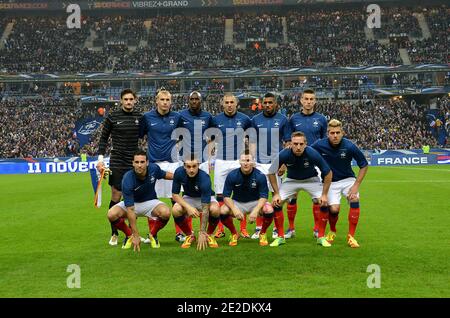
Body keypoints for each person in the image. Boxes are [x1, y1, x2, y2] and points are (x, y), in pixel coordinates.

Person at [139, 89, 188, 243]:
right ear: (157, 101)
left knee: (176, 199)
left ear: (171, 101)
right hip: (153, 164)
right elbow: (140, 136)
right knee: (150, 199)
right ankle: (152, 234)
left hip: (173, 164)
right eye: (162, 99)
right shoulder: (147, 117)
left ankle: (180, 233)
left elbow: (183, 135)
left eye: (168, 100)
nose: (165, 102)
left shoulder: (177, 117)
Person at [268, 131, 332, 247]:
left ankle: (321, 237)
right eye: (295, 144)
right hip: (291, 180)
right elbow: (271, 172)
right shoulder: (284, 154)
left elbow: (328, 173)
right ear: (290, 144)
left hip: (311, 179)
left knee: (324, 203)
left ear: (305, 144)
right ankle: (280, 237)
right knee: (276, 203)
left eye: (301, 144)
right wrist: (276, 193)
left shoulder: (312, 153)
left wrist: (324, 194)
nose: (298, 147)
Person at [311, 119, 368, 248]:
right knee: (334, 209)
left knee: (354, 199)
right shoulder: (319, 145)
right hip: (330, 182)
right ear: (328, 133)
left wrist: (356, 185)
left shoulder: (349, 146)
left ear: (342, 132)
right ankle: (332, 230)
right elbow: (307, 152)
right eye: (332, 133)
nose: (335, 135)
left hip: (348, 180)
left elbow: (364, 165)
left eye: (337, 132)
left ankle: (351, 236)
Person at [96, 88, 142, 246]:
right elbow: (103, 138)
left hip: (134, 161)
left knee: (132, 198)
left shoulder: (139, 117)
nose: (129, 102)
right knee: (116, 196)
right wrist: (101, 160)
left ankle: (133, 233)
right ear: (121, 101)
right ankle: (114, 233)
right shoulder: (112, 117)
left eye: (131, 99)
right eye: (126, 99)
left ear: (135, 100)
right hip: (117, 160)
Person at [106, 150, 173, 251]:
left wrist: (180, 177)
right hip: (132, 204)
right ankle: (129, 235)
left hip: (151, 202)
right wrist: (135, 234)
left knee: (166, 212)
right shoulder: (127, 179)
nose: (139, 165)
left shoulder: (154, 169)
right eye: (136, 162)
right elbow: (130, 210)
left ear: (147, 162)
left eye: (142, 162)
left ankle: (152, 235)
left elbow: (164, 175)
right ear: (133, 163)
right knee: (111, 214)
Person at [285, 88, 328, 239]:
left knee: (316, 198)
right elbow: (288, 142)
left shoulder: (322, 119)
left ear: (315, 101)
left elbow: (325, 142)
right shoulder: (294, 119)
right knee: (292, 196)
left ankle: (317, 229)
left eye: (311, 99)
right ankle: (291, 229)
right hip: (295, 161)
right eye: (306, 99)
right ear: (301, 101)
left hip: (315, 160)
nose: (309, 102)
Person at [209, 93, 252, 239]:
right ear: (222, 104)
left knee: (241, 195)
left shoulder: (245, 119)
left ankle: (243, 229)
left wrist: (249, 157)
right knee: (220, 195)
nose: (229, 105)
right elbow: (210, 140)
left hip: (238, 161)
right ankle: (221, 228)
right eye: (226, 102)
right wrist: (209, 158)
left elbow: (252, 137)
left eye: (232, 102)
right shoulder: (215, 120)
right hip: (221, 161)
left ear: (236, 104)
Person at [249, 92, 291, 239]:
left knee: (276, 196)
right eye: (265, 102)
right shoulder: (255, 120)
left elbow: (287, 143)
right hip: (259, 163)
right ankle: (259, 227)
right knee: (259, 196)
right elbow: (252, 141)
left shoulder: (283, 120)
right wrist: (252, 160)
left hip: (276, 163)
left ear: (275, 104)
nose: (267, 105)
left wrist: (284, 163)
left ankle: (276, 229)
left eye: (270, 102)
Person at [219, 151, 274, 246]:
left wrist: (256, 210)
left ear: (253, 162)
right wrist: (234, 209)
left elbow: (264, 196)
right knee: (223, 210)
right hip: (238, 203)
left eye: (248, 160)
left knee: (269, 209)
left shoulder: (260, 176)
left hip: (255, 203)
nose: (245, 163)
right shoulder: (232, 175)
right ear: (239, 162)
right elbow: (226, 196)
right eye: (243, 160)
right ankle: (234, 233)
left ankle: (263, 233)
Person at [171, 155, 221, 250]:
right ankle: (190, 235)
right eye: (188, 166)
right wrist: (188, 207)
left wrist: (202, 231)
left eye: (194, 166)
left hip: (205, 198)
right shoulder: (178, 172)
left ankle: (208, 235)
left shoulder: (204, 177)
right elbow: (175, 195)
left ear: (198, 165)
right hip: (189, 197)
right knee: (175, 210)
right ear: (184, 166)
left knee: (215, 209)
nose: (191, 170)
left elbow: (205, 207)